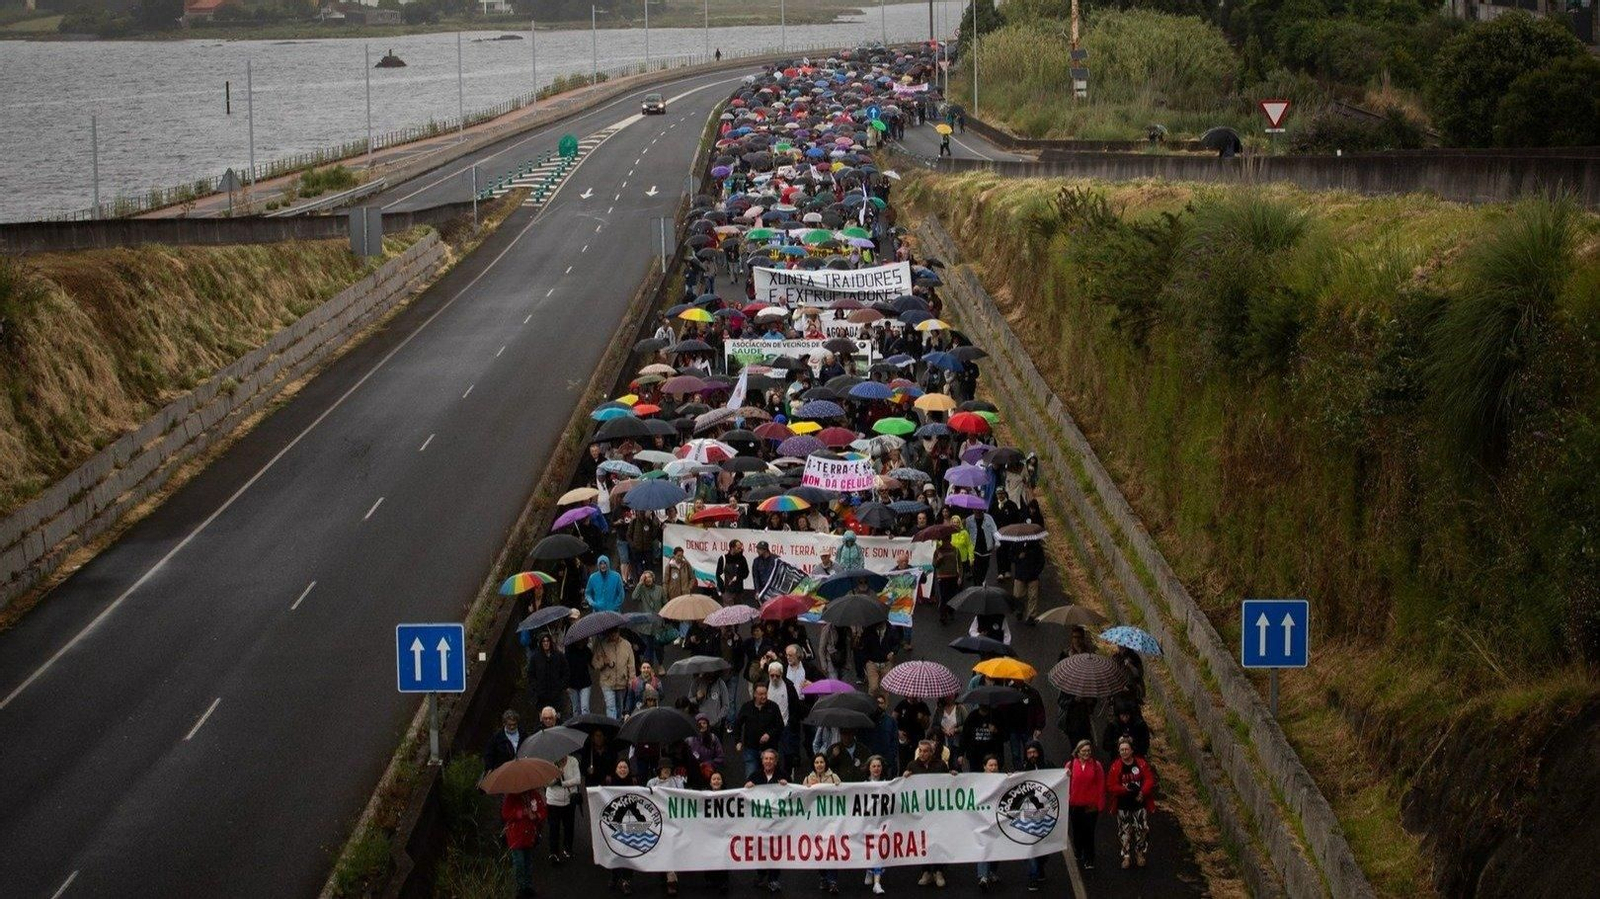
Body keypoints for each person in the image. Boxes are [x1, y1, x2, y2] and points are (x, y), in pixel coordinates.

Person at [903, 740, 952, 887]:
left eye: (926, 751)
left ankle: (938, 871)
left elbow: (947, 784)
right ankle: (926, 871)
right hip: (920, 811)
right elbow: (904, 787)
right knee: (922, 840)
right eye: (921, 750)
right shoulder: (912, 766)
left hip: (937, 810)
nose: (922, 753)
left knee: (937, 839)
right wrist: (905, 776)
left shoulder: (941, 765)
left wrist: (953, 776)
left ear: (931, 752)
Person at [1107, 737, 1156, 869]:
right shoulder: (1115, 766)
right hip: (1123, 804)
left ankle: (1140, 853)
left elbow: (1149, 779)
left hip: (1139, 803)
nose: (1124, 752)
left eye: (1126, 749)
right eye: (1121, 750)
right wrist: (1125, 790)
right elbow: (1111, 785)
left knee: (1142, 829)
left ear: (1132, 750)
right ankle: (1126, 856)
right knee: (1124, 831)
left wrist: (1142, 792)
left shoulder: (1140, 763)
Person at [746, 748, 789, 893]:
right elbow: (745, 797)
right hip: (760, 822)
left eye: (771, 759)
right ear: (762, 761)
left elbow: (795, 795)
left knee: (776, 850)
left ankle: (773, 879)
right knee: (761, 848)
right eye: (766, 759)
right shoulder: (755, 776)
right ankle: (761, 873)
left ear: (776, 762)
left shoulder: (783, 776)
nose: (768, 761)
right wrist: (747, 787)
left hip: (778, 822)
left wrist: (787, 785)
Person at [802, 753, 843, 894]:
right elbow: (803, 800)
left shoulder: (834, 777)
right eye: (816, 762)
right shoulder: (807, 779)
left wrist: (839, 787)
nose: (819, 765)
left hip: (831, 822)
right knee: (819, 850)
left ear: (826, 764)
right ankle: (823, 877)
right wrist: (808, 788)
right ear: (813, 765)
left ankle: (833, 881)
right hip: (816, 822)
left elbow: (843, 796)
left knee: (832, 850)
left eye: (821, 762)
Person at [1067, 739, 1105, 873]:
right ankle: (1078, 849)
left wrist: (1100, 804)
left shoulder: (1096, 765)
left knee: (1089, 833)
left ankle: (1089, 858)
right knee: (1077, 832)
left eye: (1089, 751)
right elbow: (1065, 783)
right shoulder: (1070, 765)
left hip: (1090, 806)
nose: (1087, 753)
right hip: (1075, 805)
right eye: (1084, 751)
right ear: (1078, 752)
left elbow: (1101, 785)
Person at [733, 682, 785, 780]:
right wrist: (738, 741)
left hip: (769, 750)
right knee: (751, 777)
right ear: (754, 694)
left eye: (765, 694)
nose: (764, 696)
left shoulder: (773, 707)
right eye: (761, 694)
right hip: (751, 749)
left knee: (771, 778)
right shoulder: (746, 707)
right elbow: (737, 725)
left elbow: (780, 726)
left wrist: (769, 735)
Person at [501, 787, 547, 899]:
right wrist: (521, 813)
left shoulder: (534, 795)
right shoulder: (512, 797)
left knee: (528, 862)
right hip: (516, 836)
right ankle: (520, 888)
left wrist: (535, 815)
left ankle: (528, 886)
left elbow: (543, 811)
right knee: (519, 863)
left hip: (529, 836)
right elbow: (505, 814)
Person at [1019, 740, 1053, 889]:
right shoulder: (1022, 768)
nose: (1032, 755)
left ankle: (1040, 866)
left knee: (1045, 846)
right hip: (1028, 814)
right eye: (1029, 753)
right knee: (1030, 845)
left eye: (1034, 752)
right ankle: (1033, 875)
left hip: (1047, 812)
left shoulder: (1049, 765)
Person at [604, 760, 639, 894]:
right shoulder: (609, 782)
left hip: (630, 823)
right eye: (620, 767)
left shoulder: (634, 782)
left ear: (629, 769)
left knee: (629, 851)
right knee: (615, 850)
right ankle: (615, 875)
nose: (622, 769)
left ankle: (626, 880)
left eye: (625, 767)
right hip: (614, 823)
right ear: (616, 769)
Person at [545, 751, 582, 865]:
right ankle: (554, 853)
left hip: (570, 799)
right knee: (554, 828)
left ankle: (568, 848)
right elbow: (546, 783)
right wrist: (556, 777)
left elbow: (578, 780)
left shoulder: (573, 761)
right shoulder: (549, 763)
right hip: (553, 801)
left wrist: (563, 783)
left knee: (569, 826)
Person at [975, 755, 1005, 889]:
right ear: (984, 767)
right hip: (982, 819)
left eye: (995, 765)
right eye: (990, 765)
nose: (993, 768)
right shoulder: (977, 780)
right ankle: (983, 877)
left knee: (996, 847)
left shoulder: (1003, 779)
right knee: (983, 847)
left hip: (997, 820)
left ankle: (991, 871)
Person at [863, 755, 891, 894]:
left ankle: (877, 882)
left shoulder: (888, 784)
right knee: (868, 850)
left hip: (882, 824)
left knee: (879, 851)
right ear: (869, 768)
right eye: (873, 766)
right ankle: (869, 871)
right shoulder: (862, 785)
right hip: (867, 825)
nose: (876, 769)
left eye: (879, 766)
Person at [592, 630, 635, 719]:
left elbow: (631, 664)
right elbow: (595, 664)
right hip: (607, 682)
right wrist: (603, 662)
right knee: (611, 707)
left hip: (622, 681)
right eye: (611, 632)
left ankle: (618, 727)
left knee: (620, 708)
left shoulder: (626, 645)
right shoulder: (602, 645)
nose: (613, 634)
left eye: (615, 632)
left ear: (619, 632)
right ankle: (612, 727)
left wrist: (632, 679)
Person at [528, 633, 569, 716]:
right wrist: (536, 687)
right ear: (540, 643)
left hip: (556, 695)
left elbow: (566, 671)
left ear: (550, 642)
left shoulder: (558, 656)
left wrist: (561, 685)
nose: (546, 643)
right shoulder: (535, 658)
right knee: (544, 720)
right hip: (542, 696)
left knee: (557, 719)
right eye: (543, 641)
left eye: (547, 641)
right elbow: (531, 674)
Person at [1011, 535, 1045, 625]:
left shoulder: (1036, 546)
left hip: (1033, 575)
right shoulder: (1017, 544)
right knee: (1017, 595)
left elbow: (1041, 561)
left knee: (1033, 596)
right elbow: (1011, 556)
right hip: (1020, 574)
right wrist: (1018, 557)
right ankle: (1020, 609)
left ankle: (1031, 616)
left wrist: (1036, 572)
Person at [688, 713, 725, 785]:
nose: (702, 725)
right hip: (694, 773)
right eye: (700, 723)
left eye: (704, 723)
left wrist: (707, 764)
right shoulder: (689, 740)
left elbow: (721, 757)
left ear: (708, 725)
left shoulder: (713, 738)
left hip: (709, 773)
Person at [716, 539, 749, 605]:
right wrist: (722, 590)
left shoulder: (742, 559)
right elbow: (718, 574)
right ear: (732, 548)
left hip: (738, 591)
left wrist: (738, 577)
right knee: (728, 610)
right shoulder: (723, 558)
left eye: (741, 548)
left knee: (739, 611)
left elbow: (746, 573)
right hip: (727, 590)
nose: (740, 550)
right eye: (738, 548)